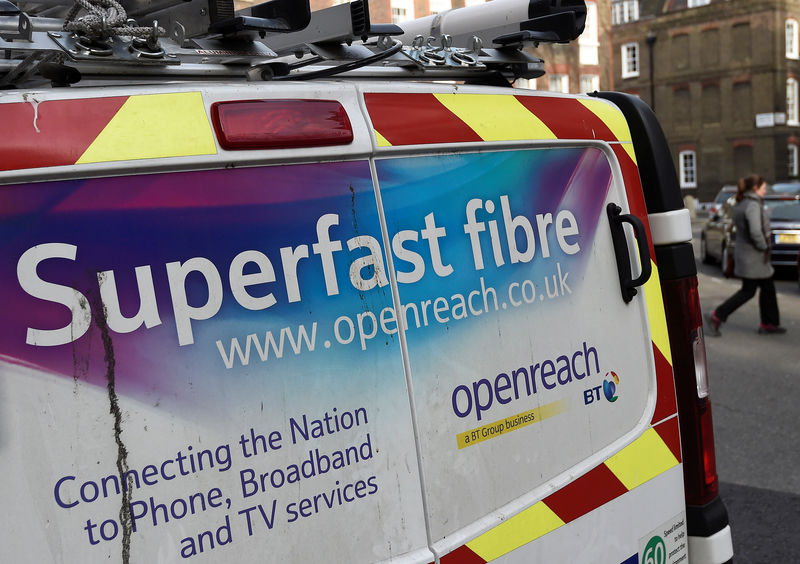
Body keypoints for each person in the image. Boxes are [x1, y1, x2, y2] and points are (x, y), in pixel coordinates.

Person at [706, 174, 786, 336]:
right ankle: (717, 315)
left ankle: (769, 323)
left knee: (767, 287)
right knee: (749, 290)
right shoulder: (753, 205)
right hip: (754, 256)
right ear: (755, 188)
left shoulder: (741, 202)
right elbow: (755, 231)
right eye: (763, 188)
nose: (765, 191)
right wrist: (764, 246)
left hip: (747, 254)